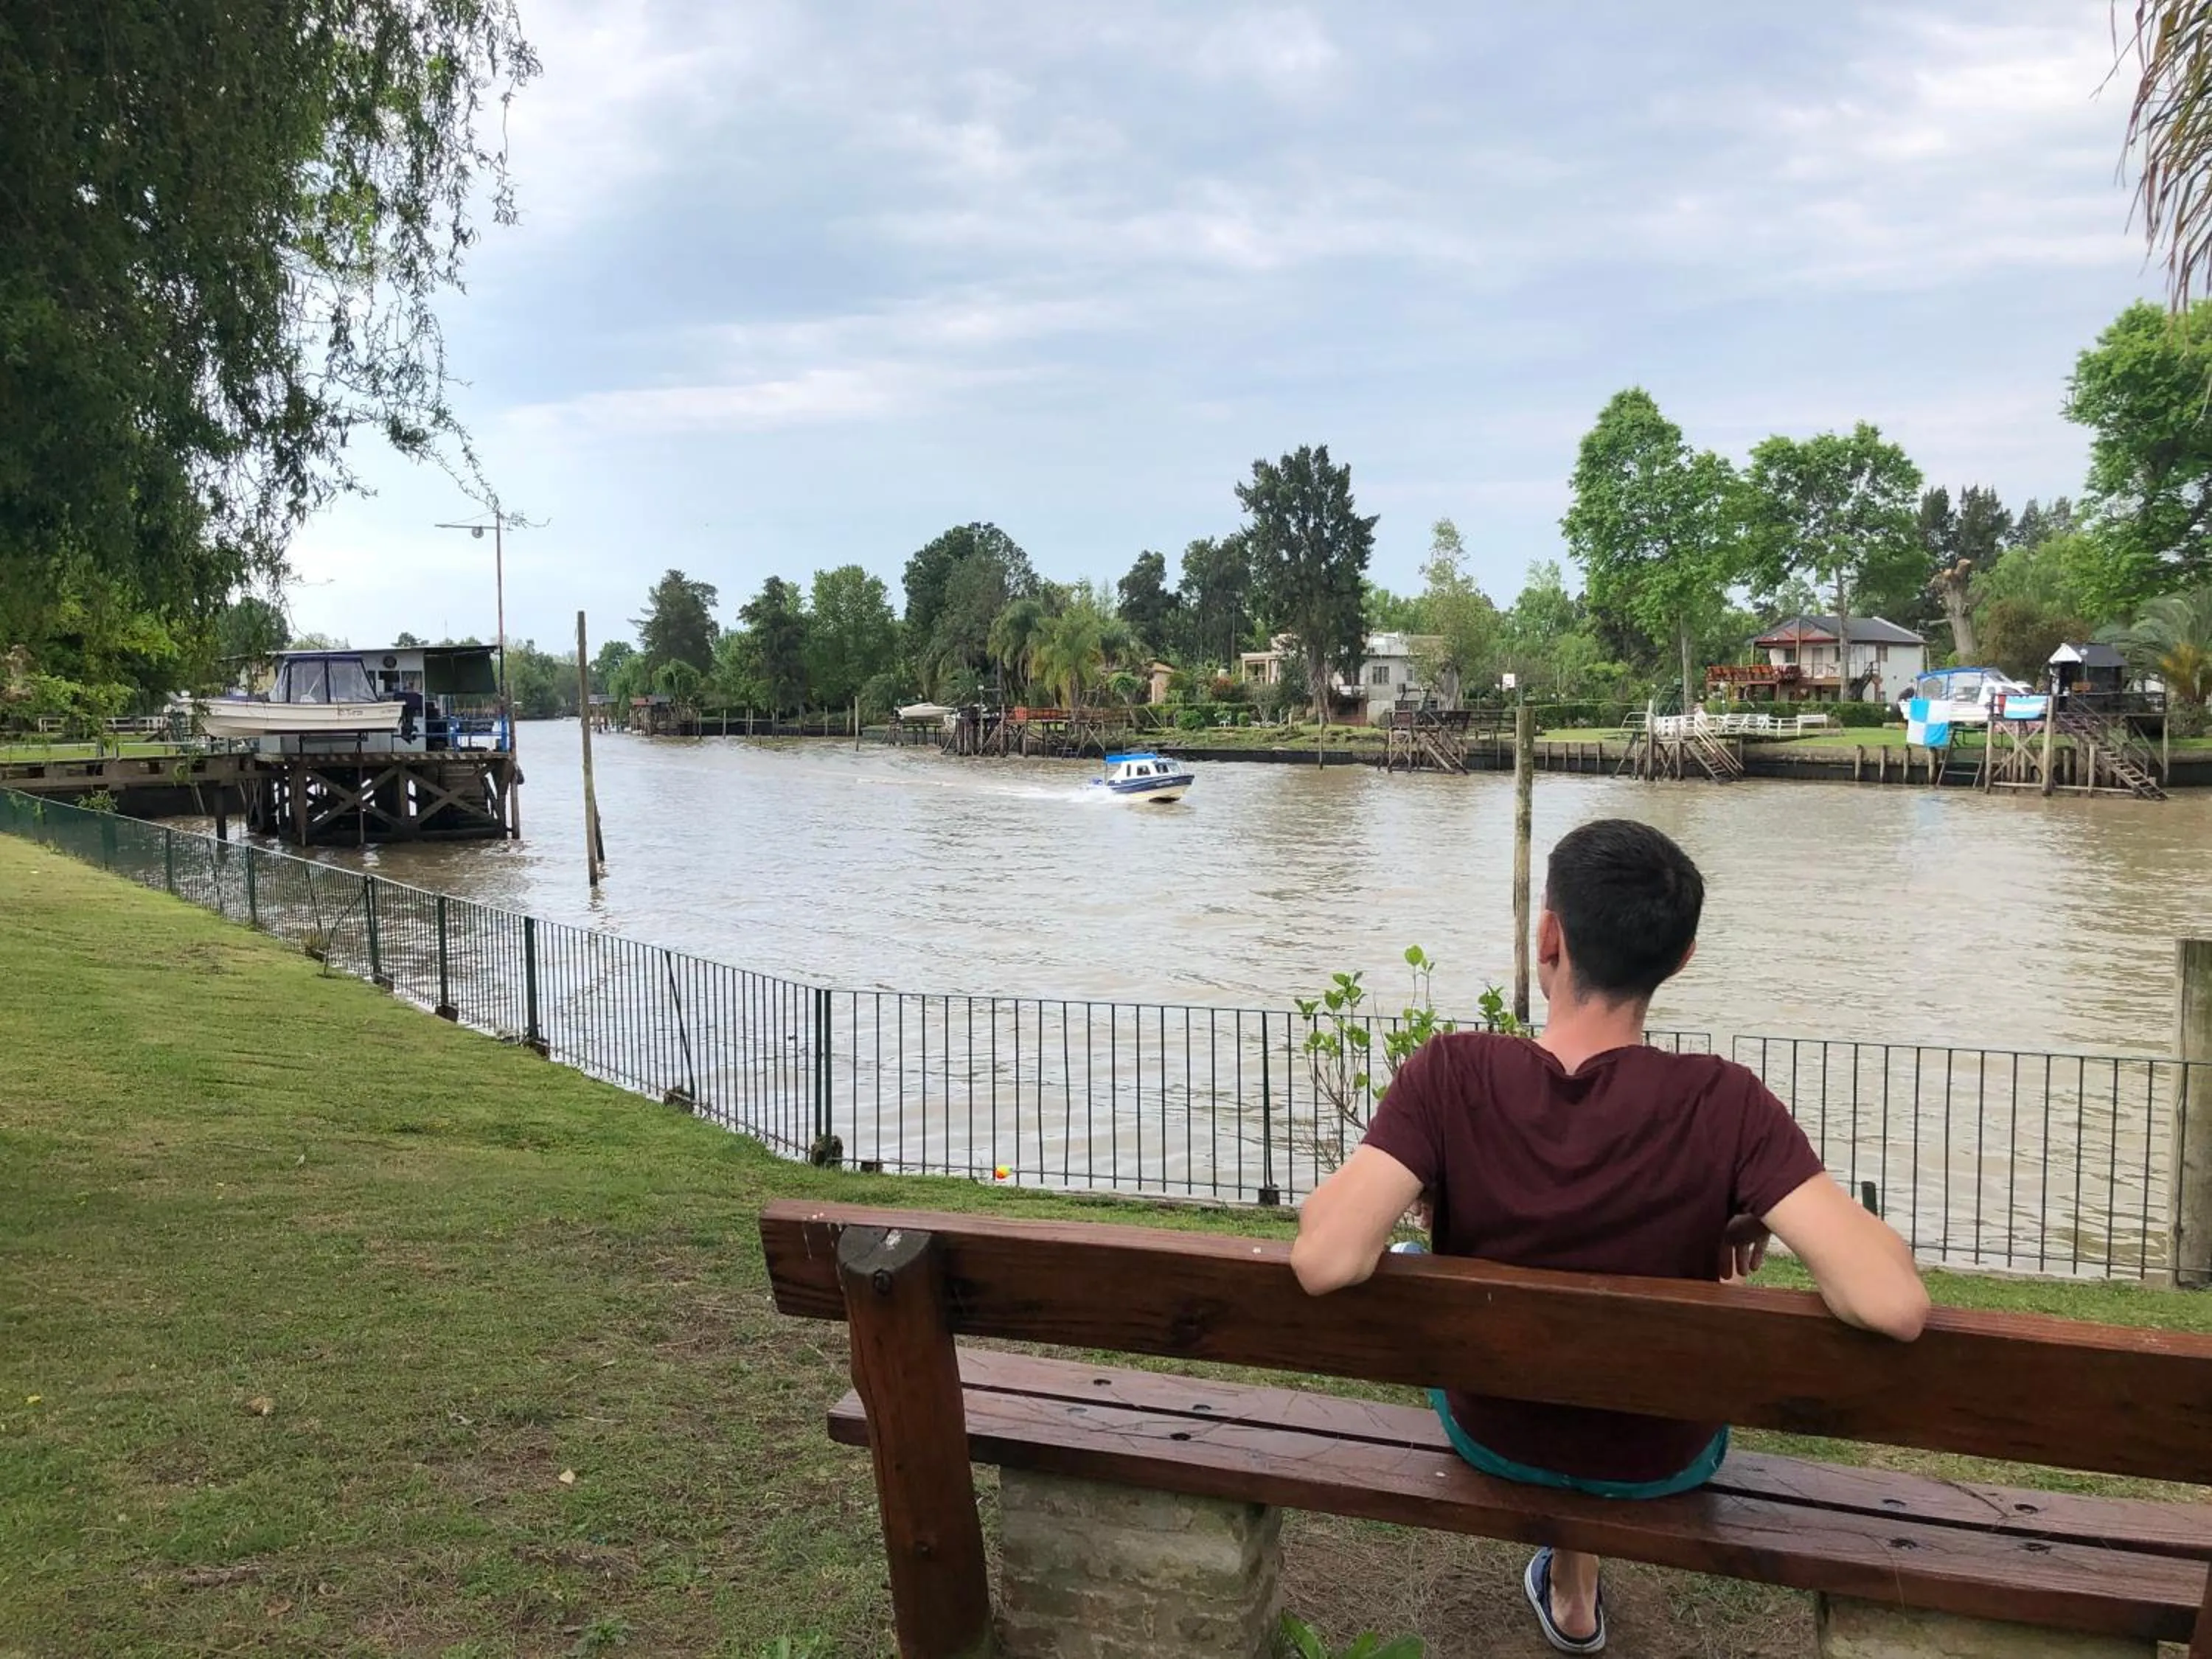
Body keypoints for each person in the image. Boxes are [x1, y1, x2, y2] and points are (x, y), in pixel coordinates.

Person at [1290, 818, 1928, 1655]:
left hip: (1498, 1435)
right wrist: (1743, 1207)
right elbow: (1893, 1303)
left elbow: (1325, 1260)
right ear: (1683, 958)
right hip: (1659, 1454)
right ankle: (1576, 1584)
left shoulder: (1452, 1075)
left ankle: (1573, 1578)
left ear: (1548, 937)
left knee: (1426, 1265)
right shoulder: (1725, 1103)